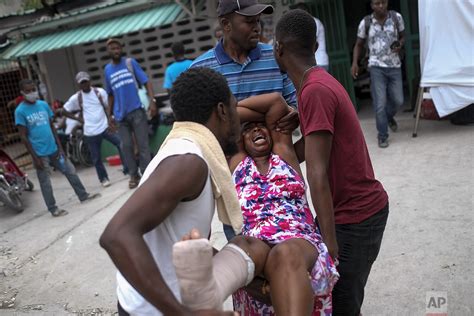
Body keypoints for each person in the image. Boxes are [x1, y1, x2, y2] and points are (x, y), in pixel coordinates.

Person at [100, 67, 273, 316]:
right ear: (222, 111)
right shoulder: (188, 161)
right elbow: (116, 235)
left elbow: (173, 239)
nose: (238, 117)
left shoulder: (186, 149)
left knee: (250, 247)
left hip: (157, 297)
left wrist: (255, 283)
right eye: (234, 108)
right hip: (155, 309)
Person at [273, 9, 389, 315]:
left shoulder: (314, 91)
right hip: (354, 212)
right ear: (314, 47)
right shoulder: (314, 84)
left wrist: (329, 240)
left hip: (356, 216)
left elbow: (317, 172)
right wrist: (276, 153)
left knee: (341, 306)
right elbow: (312, 150)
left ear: (278, 48)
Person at [191, 0, 298, 240]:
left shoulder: (275, 58)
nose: (257, 27)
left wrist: (293, 114)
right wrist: (271, 110)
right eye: (249, 21)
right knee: (249, 261)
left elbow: (292, 107)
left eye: (258, 21)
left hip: (280, 183)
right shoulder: (201, 71)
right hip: (234, 186)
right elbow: (203, 130)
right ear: (226, 24)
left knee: (294, 256)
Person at [228, 93, 339, 315]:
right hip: (255, 241)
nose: (257, 130)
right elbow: (222, 123)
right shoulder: (237, 163)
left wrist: (231, 110)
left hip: (297, 238)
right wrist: (229, 115)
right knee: (238, 247)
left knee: (285, 253)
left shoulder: (284, 154)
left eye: (261, 127)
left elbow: (275, 103)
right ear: (240, 140)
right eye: (249, 129)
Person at [14, 79, 100, 217]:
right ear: (22, 93)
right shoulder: (20, 111)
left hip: (54, 149)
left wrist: (60, 147)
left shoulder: (43, 105)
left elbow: (52, 127)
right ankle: (53, 208)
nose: (32, 93)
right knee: (46, 182)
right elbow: (23, 137)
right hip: (40, 153)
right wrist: (35, 158)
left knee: (70, 171)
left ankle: (83, 195)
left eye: (33, 89)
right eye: (28, 91)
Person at [351, 0, 405, 148]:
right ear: (372, 5)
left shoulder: (396, 18)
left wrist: (400, 44)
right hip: (376, 67)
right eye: (376, 3)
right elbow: (359, 44)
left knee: (398, 100)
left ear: (387, 3)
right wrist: (355, 63)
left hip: (394, 65)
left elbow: (403, 36)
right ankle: (382, 135)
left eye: (383, 3)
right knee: (380, 104)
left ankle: (388, 117)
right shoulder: (366, 22)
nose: (380, 6)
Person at [104, 38, 157, 189]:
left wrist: (152, 101)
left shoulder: (130, 63)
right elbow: (110, 94)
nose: (115, 51)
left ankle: (146, 174)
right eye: (112, 48)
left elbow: (146, 82)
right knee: (125, 146)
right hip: (120, 115)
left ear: (121, 49)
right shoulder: (107, 70)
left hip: (137, 111)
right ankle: (133, 175)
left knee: (143, 145)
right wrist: (110, 116)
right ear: (108, 51)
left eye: (117, 48)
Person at [63, 71, 128, 187]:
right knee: (96, 158)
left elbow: (109, 105)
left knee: (120, 144)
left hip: (104, 127)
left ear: (90, 81)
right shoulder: (76, 98)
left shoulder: (99, 92)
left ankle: (127, 168)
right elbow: (64, 110)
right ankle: (103, 178)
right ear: (79, 85)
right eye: (82, 83)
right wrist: (79, 119)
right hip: (90, 132)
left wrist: (109, 118)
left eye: (86, 82)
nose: (84, 85)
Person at [291, 2, 329, 71]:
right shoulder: (305, 24)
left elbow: (308, 40)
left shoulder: (314, 22)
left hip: (319, 62)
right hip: (313, 63)